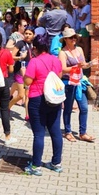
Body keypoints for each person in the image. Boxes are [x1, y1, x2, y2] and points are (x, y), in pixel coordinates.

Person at [23, 33, 64, 176]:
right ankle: (56, 163)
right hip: (54, 100)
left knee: (39, 134)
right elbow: (58, 77)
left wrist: (24, 74)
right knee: (55, 131)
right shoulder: (56, 60)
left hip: (37, 99)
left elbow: (27, 81)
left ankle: (36, 166)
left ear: (35, 48)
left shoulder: (34, 62)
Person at [58, 27, 99, 143]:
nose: (74, 39)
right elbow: (63, 69)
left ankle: (83, 133)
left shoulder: (79, 49)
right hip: (69, 83)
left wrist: (91, 63)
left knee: (84, 108)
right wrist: (77, 67)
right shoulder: (63, 53)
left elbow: (84, 65)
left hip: (80, 83)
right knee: (68, 108)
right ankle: (68, 132)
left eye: (75, 37)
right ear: (65, 39)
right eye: (71, 38)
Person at [8, 25, 34, 115]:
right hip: (19, 70)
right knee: (21, 95)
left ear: (33, 35)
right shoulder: (20, 43)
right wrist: (20, 57)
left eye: (30, 34)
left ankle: (27, 115)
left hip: (29, 71)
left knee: (27, 93)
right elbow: (11, 56)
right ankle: (8, 106)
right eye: (26, 33)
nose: (27, 35)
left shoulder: (33, 44)